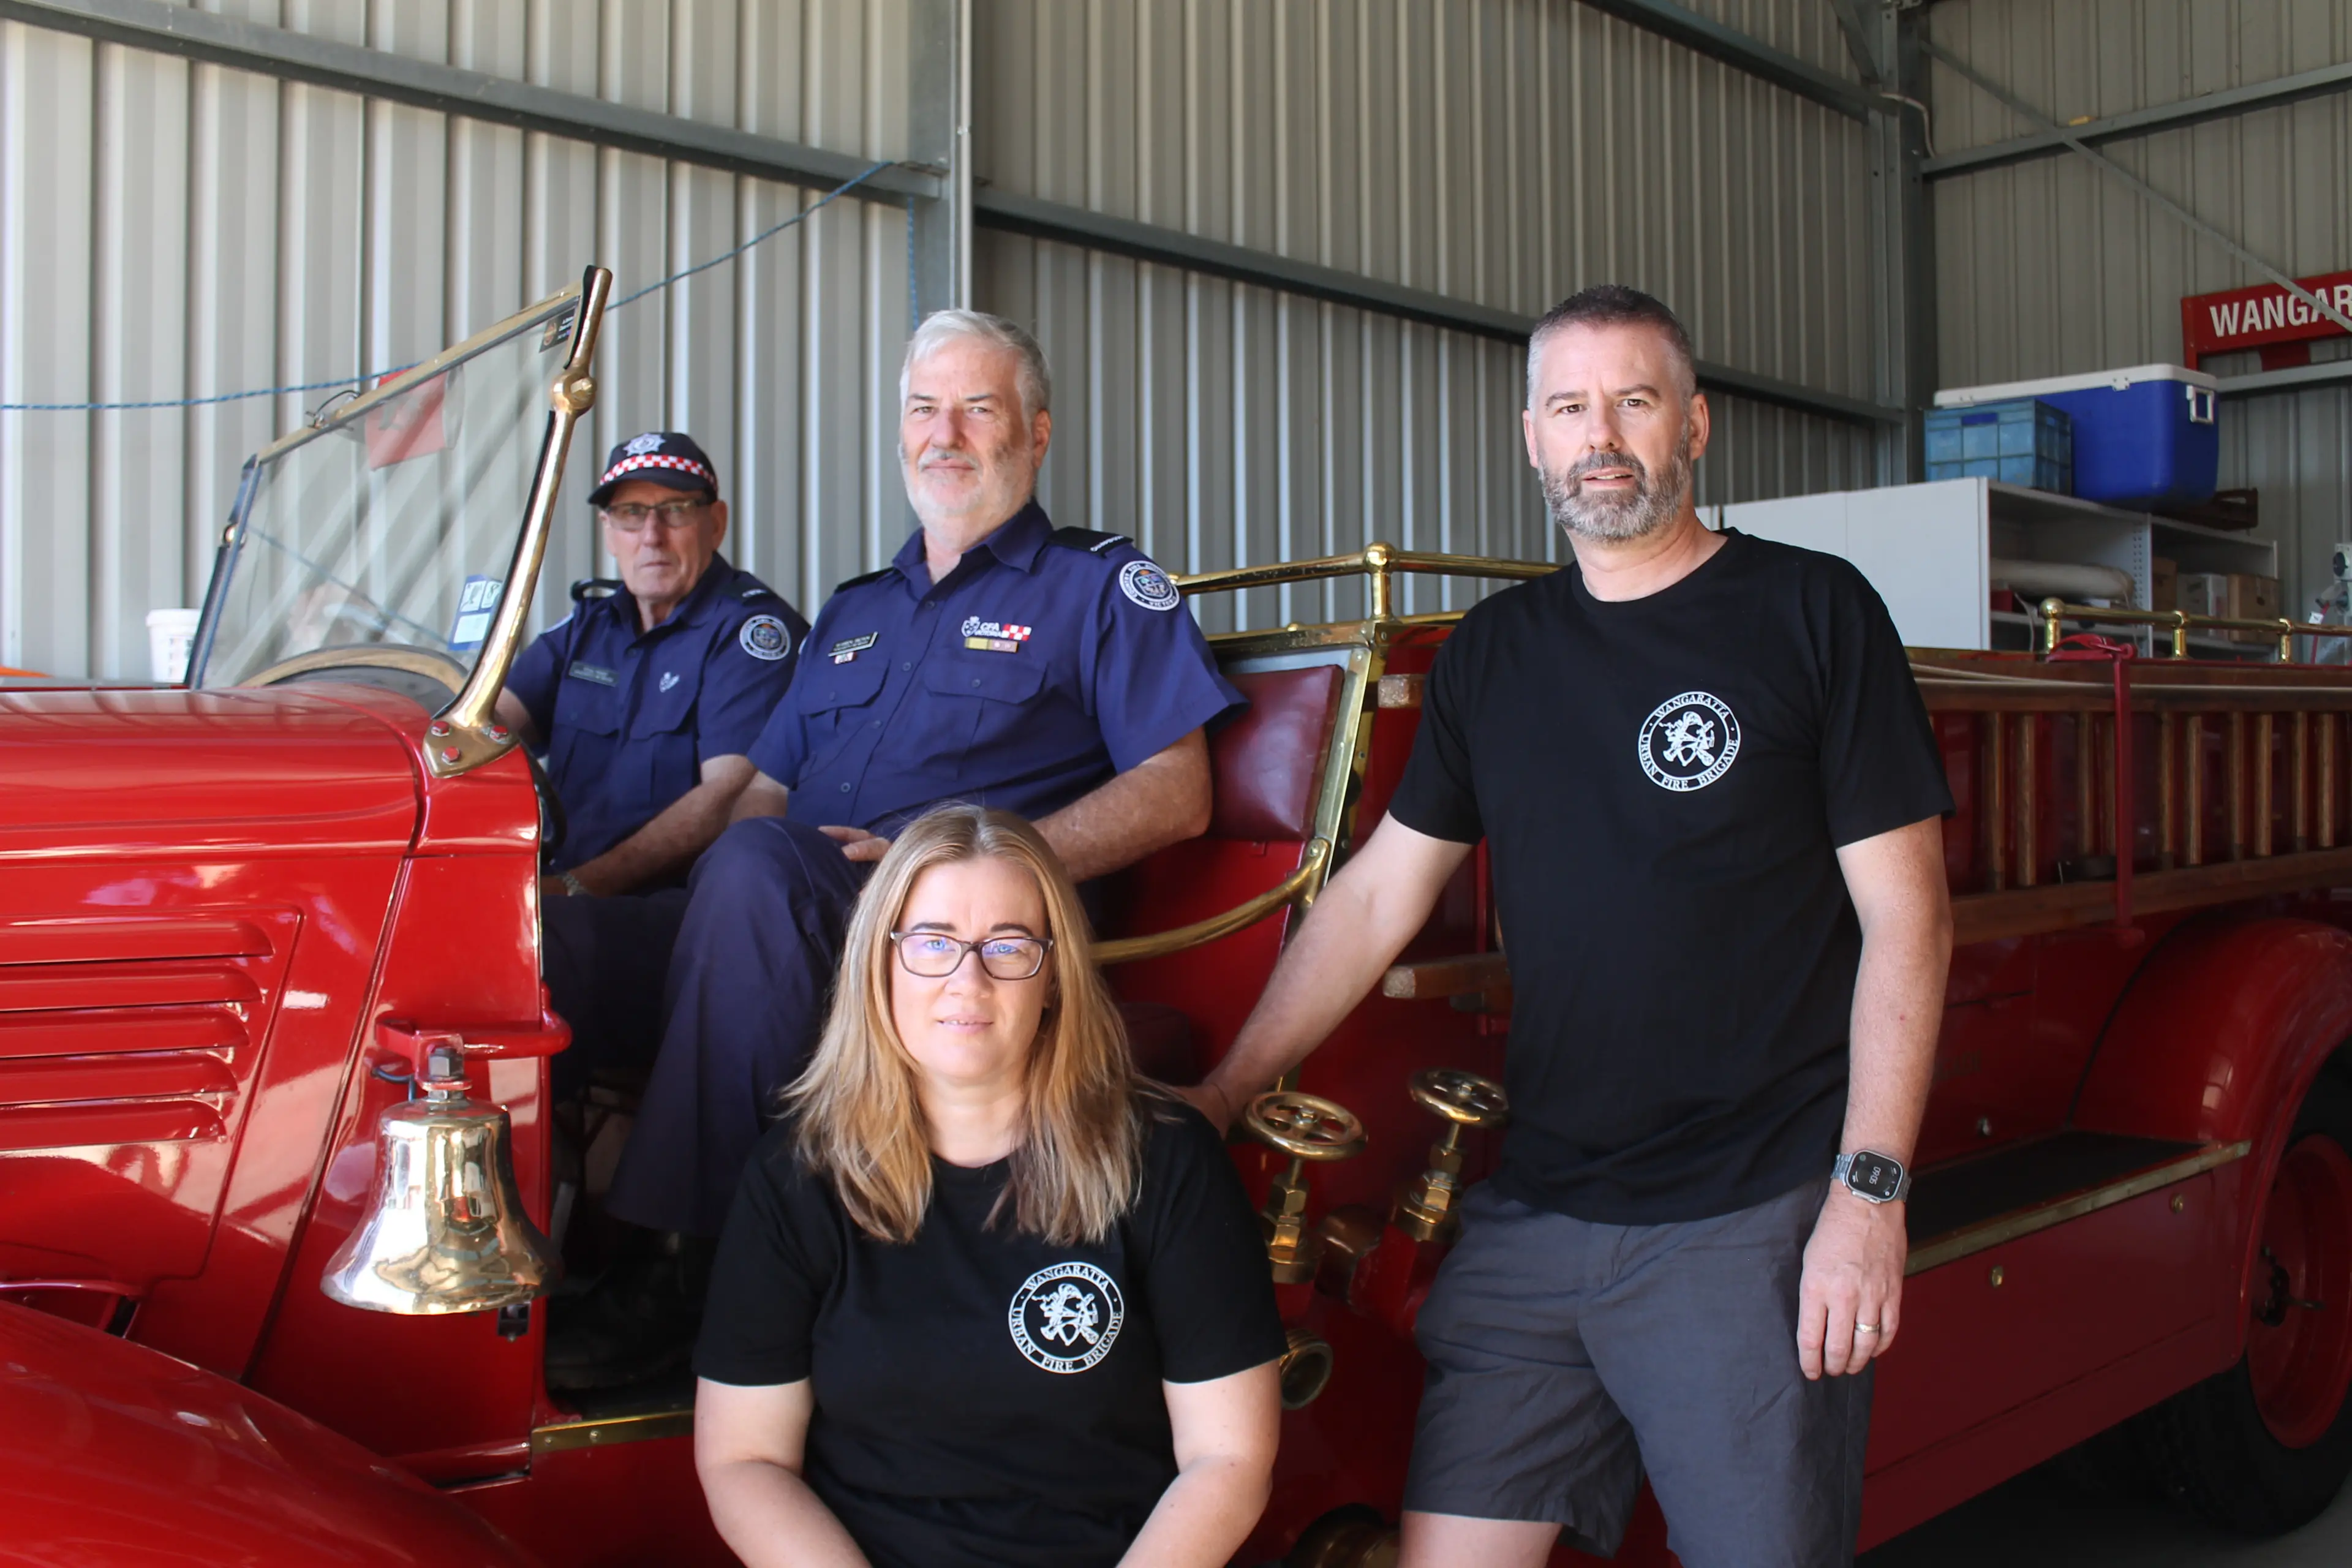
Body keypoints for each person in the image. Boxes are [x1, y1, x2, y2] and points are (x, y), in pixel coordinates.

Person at [1185, 285, 1956, 1567]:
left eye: (1634, 402)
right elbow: (1380, 889)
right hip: (1537, 1217)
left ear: (1694, 427)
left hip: (1746, 1220)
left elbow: (1909, 921)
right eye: (1569, 407)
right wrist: (1223, 1090)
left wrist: (1866, 1194)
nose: (1602, 434)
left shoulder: (1814, 613)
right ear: (1533, 438)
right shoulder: (1497, 653)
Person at [548, 312, 1242, 1389]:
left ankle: (694, 1273)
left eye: (978, 408)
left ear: (1037, 433)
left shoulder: (1097, 588)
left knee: (752, 872)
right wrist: (720, 905)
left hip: (948, 946)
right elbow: (766, 793)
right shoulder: (856, 610)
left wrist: (940, 869)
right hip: (780, 913)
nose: (945, 435)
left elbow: (1176, 793)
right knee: (553, 944)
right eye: (925, 409)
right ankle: (529, 1251)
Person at [693, 805, 1284, 1568]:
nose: (966, 981)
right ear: (881, 962)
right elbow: (744, 1461)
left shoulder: (1168, 1161)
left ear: (1054, 976)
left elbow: (1229, 1461)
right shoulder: (796, 1174)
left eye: (1007, 946)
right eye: (933, 943)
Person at [496, 432, 806, 1099]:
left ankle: (549, 1189)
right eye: (632, 514)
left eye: (677, 510)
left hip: (686, 922)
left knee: (527, 954)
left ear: (715, 522)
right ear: (608, 530)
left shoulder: (749, 634)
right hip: (569, 905)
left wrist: (578, 886)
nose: (653, 535)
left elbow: (728, 796)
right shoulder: (586, 628)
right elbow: (481, 734)